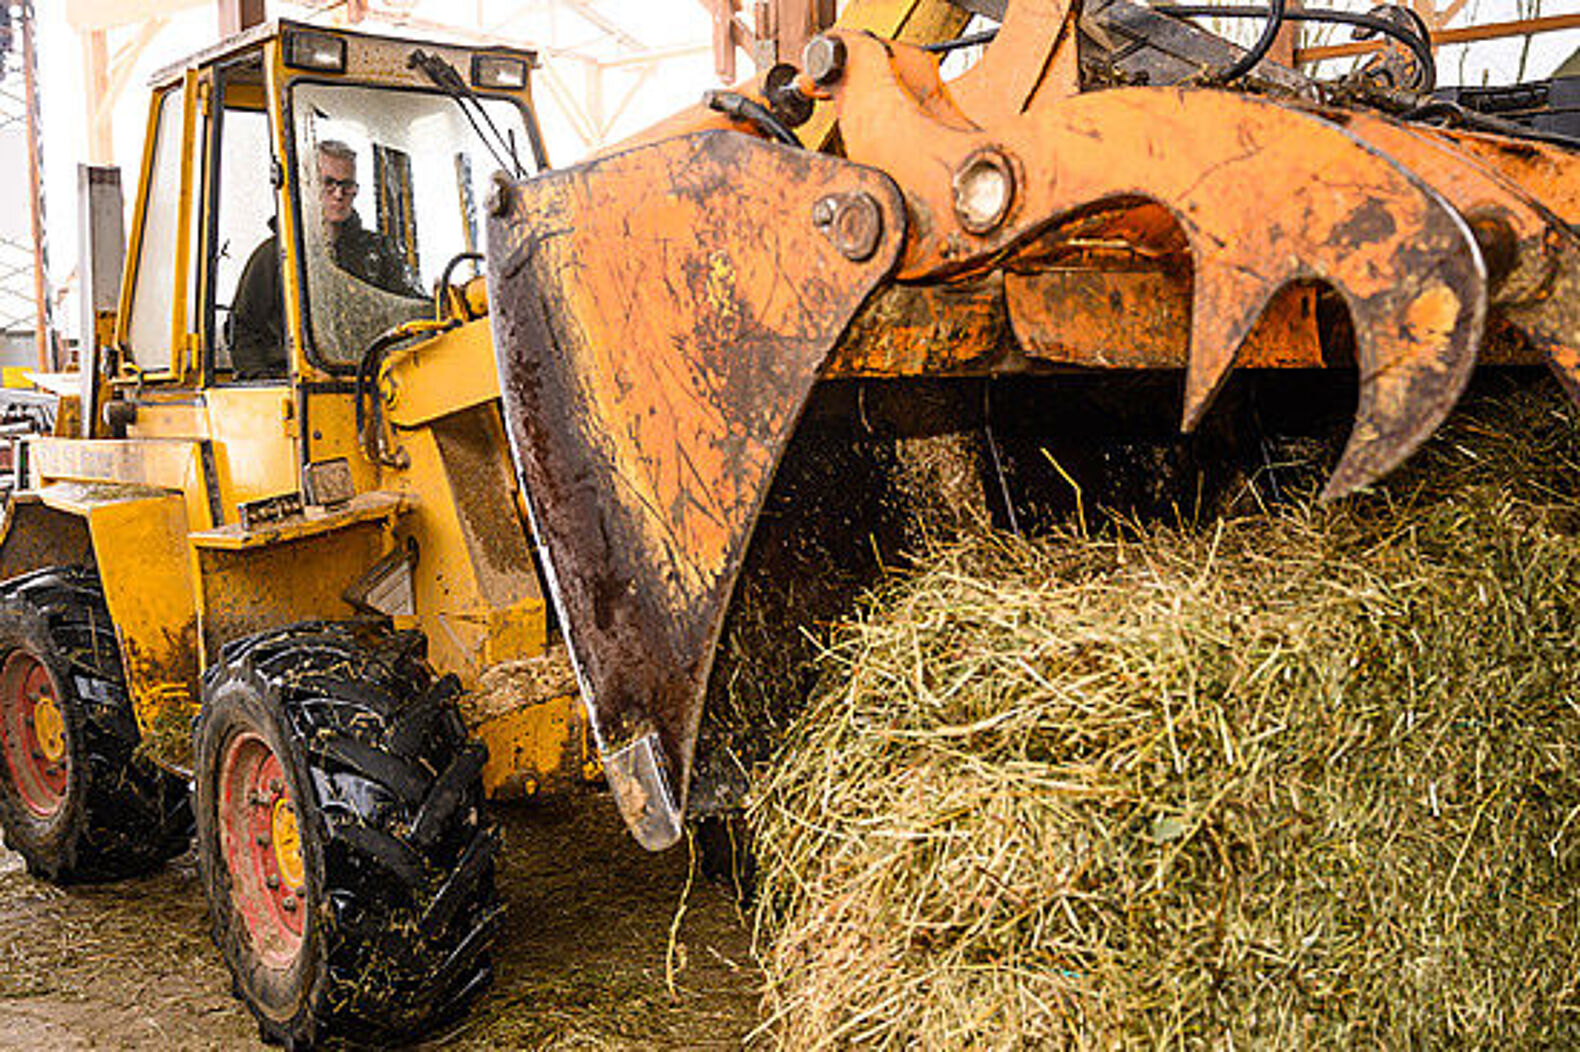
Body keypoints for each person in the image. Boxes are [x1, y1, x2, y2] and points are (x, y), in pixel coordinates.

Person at [229, 139, 423, 380]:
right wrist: (264, 379)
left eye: (347, 185)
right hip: (303, 388)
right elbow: (243, 330)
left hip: (373, 381)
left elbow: (406, 312)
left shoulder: (378, 252)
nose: (339, 194)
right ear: (308, 185)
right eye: (328, 184)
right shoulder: (274, 255)